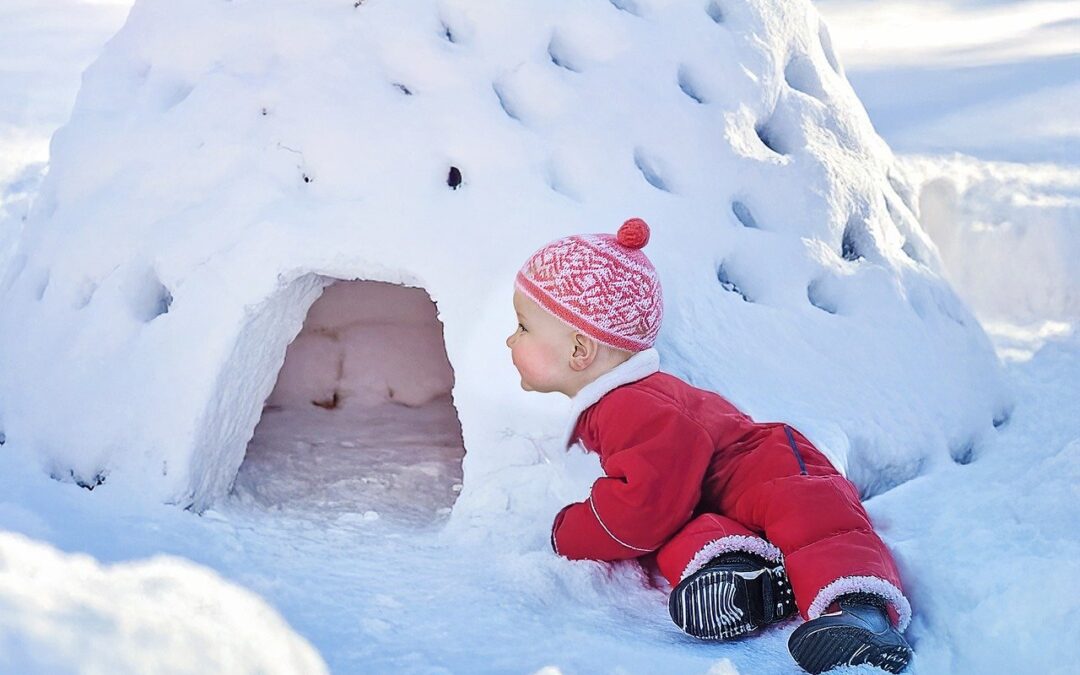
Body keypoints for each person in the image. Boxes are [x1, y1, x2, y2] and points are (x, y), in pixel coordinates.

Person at [506, 218, 914, 674]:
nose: (510, 339)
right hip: (707, 497)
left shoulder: (633, 405)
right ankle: (740, 574)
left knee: (813, 518)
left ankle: (860, 609)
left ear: (580, 350)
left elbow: (639, 513)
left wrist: (572, 530)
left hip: (765, 466)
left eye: (523, 327)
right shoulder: (609, 407)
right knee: (679, 533)